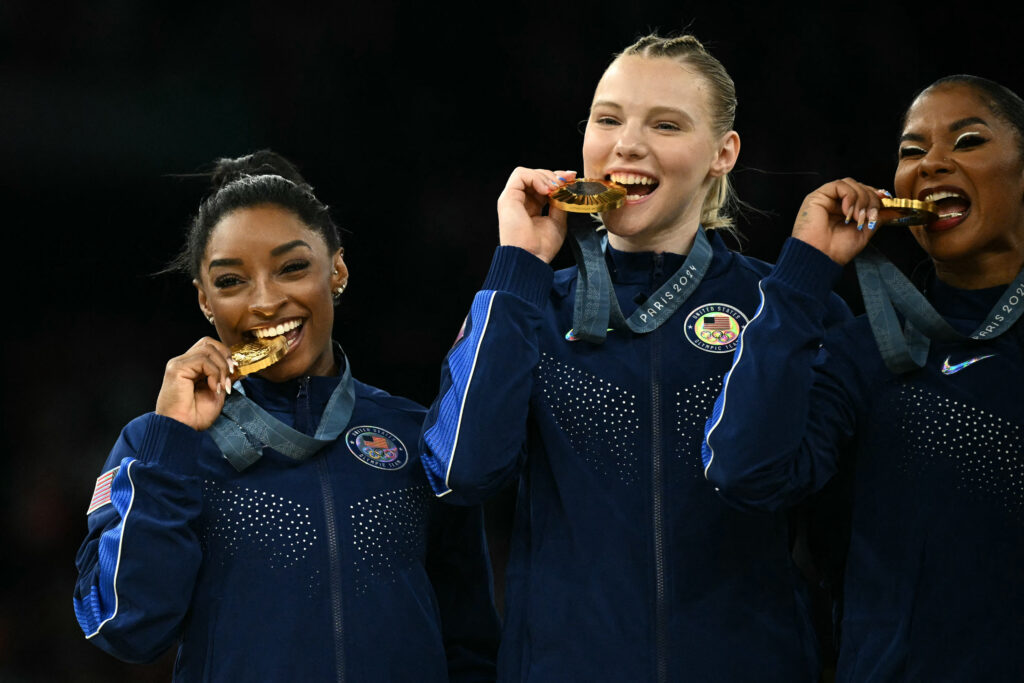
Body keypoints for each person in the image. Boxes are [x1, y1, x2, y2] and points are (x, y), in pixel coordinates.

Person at [419, 35, 849, 682]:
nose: (627, 143)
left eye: (667, 124)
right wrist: (517, 266)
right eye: (608, 118)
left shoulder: (782, 308)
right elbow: (461, 471)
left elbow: (840, 537)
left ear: (722, 154)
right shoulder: (528, 304)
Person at [73, 151, 499, 682]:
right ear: (205, 301)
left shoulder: (417, 434)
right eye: (231, 282)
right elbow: (127, 628)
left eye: (292, 268)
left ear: (337, 270)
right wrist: (171, 444)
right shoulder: (158, 446)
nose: (266, 302)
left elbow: (471, 645)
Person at [703, 75, 1024, 682]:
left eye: (968, 141)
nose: (930, 164)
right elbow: (746, 472)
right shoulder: (864, 352)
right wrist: (804, 270)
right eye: (910, 151)